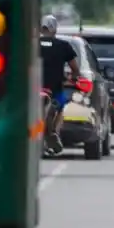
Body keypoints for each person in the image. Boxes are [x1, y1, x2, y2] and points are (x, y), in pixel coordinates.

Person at [39, 14, 80, 154]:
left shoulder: (30, 45)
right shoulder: (63, 46)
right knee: (61, 108)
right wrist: (73, 79)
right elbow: (75, 69)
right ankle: (54, 132)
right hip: (55, 89)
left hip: (33, 89)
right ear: (54, 28)